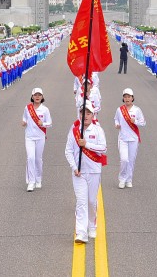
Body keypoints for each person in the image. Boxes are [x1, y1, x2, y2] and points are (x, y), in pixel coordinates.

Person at [65, 103, 107, 244]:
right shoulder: (74, 131)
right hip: (79, 173)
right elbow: (68, 151)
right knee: (81, 202)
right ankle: (81, 232)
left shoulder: (98, 130)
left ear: (93, 115)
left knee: (91, 201)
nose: (85, 116)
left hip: (94, 170)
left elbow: (103, 148)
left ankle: (92, 224)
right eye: (83, 113)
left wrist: (87, 144)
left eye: (88, 113)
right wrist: (74, 166)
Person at [114, 87, 145, 189]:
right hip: (122, 138)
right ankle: (122, 179)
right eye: (125, 97)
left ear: (132, 98)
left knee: (131, 160)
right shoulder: (120, 110)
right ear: (123, 98)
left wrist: (134, 121)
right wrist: (117, 124)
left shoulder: (137, 110)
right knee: (124, 159)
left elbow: (143, 122)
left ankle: (129, 180)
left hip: (133, 139)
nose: (127, 99)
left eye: (129, 97)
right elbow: (116, 119)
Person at [22, 87, 52, 192]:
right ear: (32, 96)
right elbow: (24, 117)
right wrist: (24, 122)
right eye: (35, 95)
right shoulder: (27, 108)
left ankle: (38, 179)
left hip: (40, 137)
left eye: (39, 95)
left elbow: (50, 123)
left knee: (38, 159)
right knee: (30, 158)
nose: (37, 97)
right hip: (29, 137)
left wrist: (43, 123)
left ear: (42, 97)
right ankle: (31, 182)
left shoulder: (45, 110)